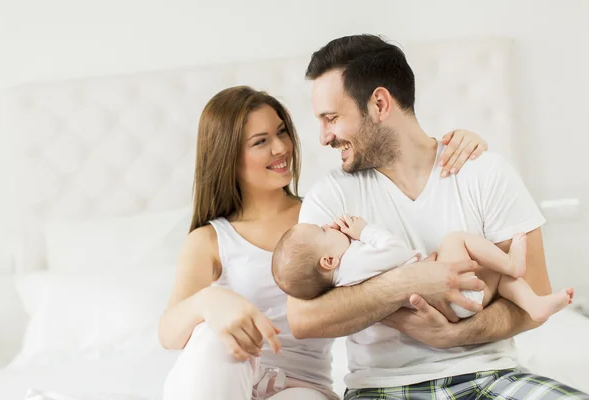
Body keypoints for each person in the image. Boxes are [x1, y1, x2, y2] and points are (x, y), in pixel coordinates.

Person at [285, 34, 589, 400]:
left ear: (379, 103)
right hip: (383, 389)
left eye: (331, 118)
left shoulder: (484, 172)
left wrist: (455, 335)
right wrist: (408, 281)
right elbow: (303, 319)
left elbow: (537, 292)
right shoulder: (330, 197)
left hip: (491, 377)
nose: (323, 137)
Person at [158, 85, 486, 400]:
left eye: (282, 131)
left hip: (300, 386)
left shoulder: (324, 215)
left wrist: (457, 145)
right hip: (228, 377)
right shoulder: (211, 239)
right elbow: (169, 334)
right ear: (226, 155)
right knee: (213, 336)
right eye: (261, 141)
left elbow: (399, 216)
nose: (281, 148)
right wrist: (208, 302)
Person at [272, 214, 574, 321]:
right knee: (455, 240)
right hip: (448, 300)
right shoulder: (354, 261)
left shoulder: (346, 278)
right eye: (323, 231)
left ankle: (533, 304)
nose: (329, 226)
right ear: (328, 261)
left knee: (489, 272)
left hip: (450, 306)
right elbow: (395, 251)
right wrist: (364, 231)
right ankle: (512, 262)